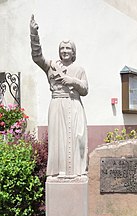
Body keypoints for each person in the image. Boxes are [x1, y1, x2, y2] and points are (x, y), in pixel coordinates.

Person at [30, 15, 88, 177]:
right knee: (58, 141)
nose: (65, 51)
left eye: (68, 48)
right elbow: (37, 57)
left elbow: (85, 89)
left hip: (74, 105)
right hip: (56, 105)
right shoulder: (51, 66)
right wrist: (34, 34)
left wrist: (72, 80)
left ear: (73, 51)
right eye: (62, 48)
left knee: (77, 139)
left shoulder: (79, 69)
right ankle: (57, 172)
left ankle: (75, 171)